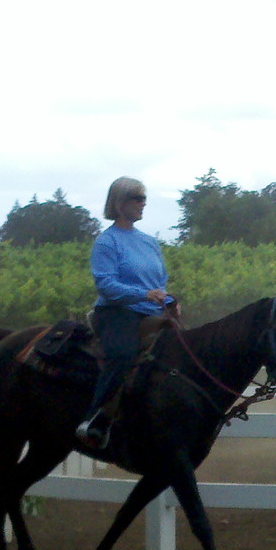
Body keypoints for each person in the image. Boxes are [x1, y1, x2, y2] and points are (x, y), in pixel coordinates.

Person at [75, 177, 178, 448]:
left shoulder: (149, 242)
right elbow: (106, 285)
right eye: (137, 198)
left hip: (151, 311)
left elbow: (159, 281)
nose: (143, 203)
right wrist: (143, 294)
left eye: (144, 198)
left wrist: (169, 299)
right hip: (116, 312)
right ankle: (95, 418)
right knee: (122, 354)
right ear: (119, 203)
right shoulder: (107, 242)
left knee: (183, 350)